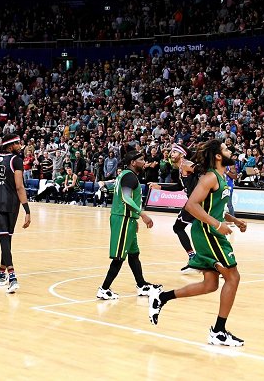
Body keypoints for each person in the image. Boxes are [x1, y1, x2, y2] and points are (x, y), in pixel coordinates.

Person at [148, 139, 248, 347]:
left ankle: (162, 297)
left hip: (210, 229)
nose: (230, 151)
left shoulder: (220, 176)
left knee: (210, 284)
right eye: (226, 149)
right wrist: (217, 225)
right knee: (233, 277)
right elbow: (191, 205)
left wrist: (233, 220)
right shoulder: (210, 177)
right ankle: (218, 331)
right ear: (218, 156)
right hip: (207, 232)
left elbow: (214, 208)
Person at [97, 150, 160, 300]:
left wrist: (134, 218)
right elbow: (126, 198)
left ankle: (141, 285)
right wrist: (142, 214)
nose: (144, 162)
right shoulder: (130, 177)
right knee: (119, 257)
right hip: (123, 219)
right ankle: (104, 289)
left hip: (128, 219)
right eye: (142, 159)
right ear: (133, 162)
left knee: (134, 254)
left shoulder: (126, 175)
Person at [0, 134, 31, 294]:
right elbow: (19, 187)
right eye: (18, 143)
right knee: (5, 240)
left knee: (6, 240)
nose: (20, 145)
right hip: (11, 205)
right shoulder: (16, 160)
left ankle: (0, 274)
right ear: (10, 146)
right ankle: (12, 277)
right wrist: (27, 210)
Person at [147, 144, 198, 273]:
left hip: (197, 202)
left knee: (181, 228)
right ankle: (196, 259)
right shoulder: (181, 167)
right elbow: (180, 187)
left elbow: (203, 172)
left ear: (182, 154)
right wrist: (160, 187)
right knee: (185, 229)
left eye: (175, 152)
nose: (171, 154)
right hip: (193, 203)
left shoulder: (187, 164)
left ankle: (199, 260)